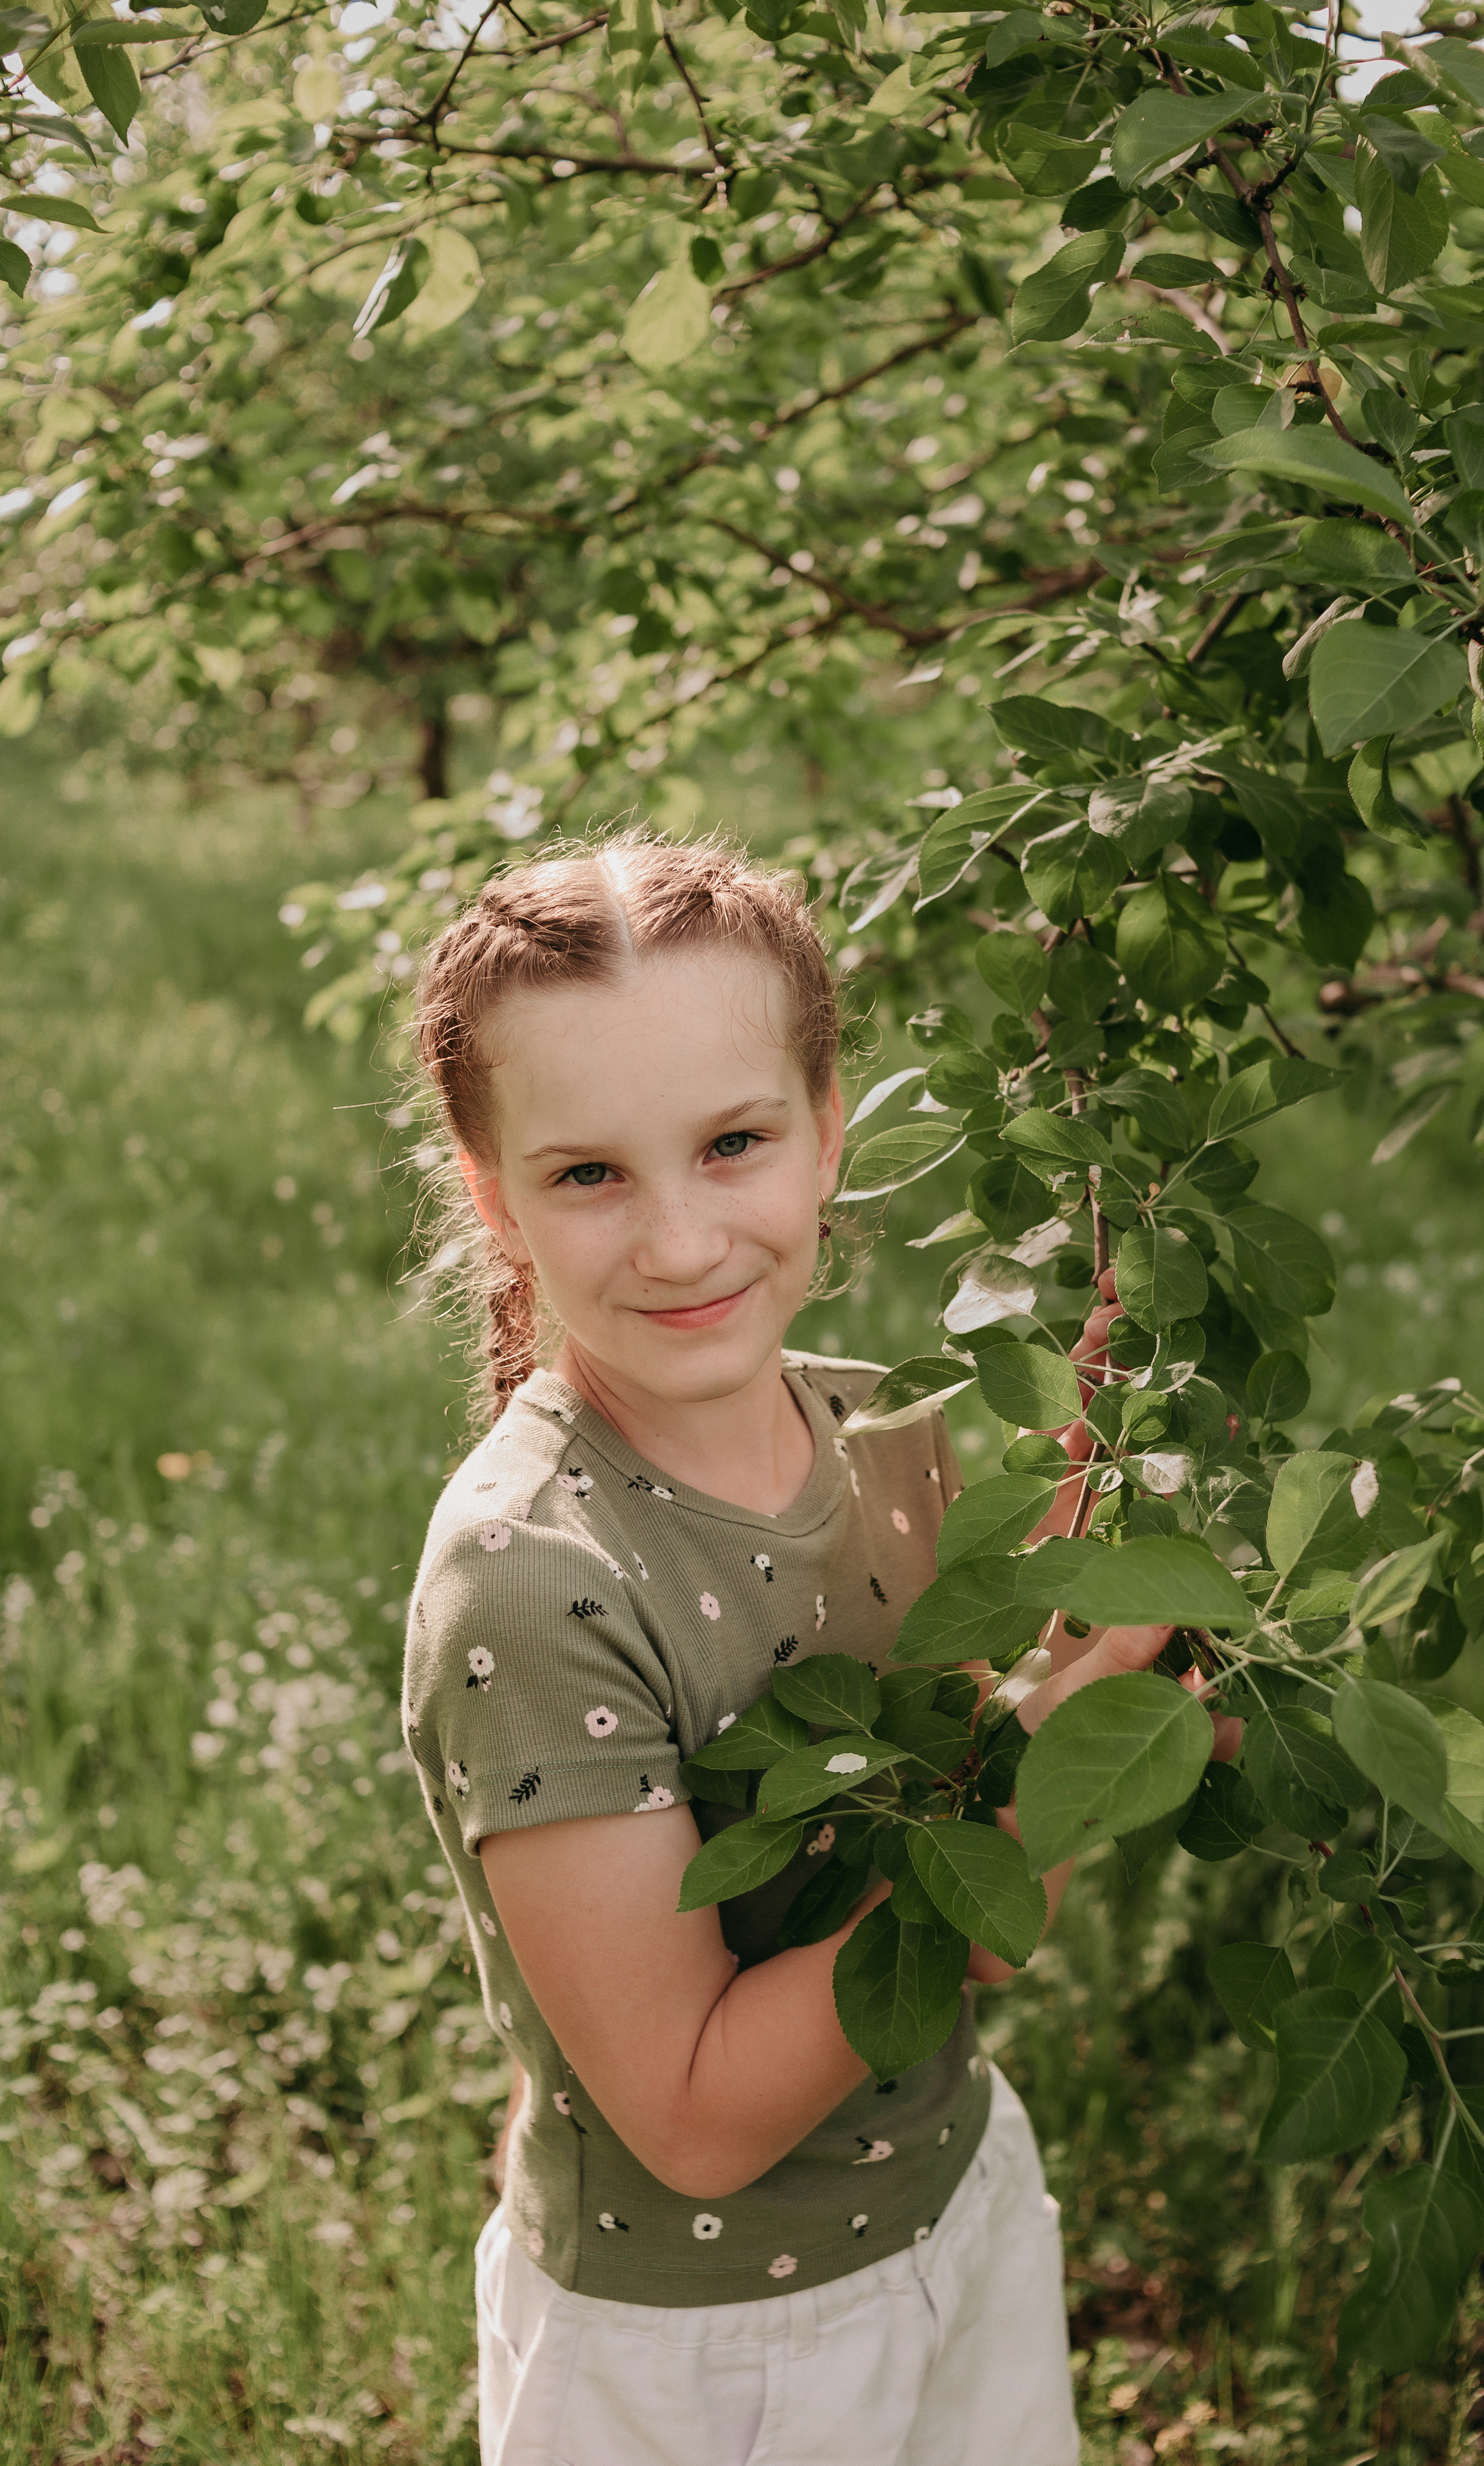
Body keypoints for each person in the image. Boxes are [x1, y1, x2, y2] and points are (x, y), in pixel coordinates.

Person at [401, 832, 1234, 2466]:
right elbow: (699, 2120)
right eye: (588, 1173)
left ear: (828, 1130)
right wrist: (1020, 1783)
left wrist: (1081, 1718)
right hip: (698, 2365)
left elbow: (978, 1937)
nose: (680, 1239)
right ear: (491, 1191)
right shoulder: (532, 1584)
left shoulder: (884, 1441)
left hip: (956, 2218)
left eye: (732, 1143)